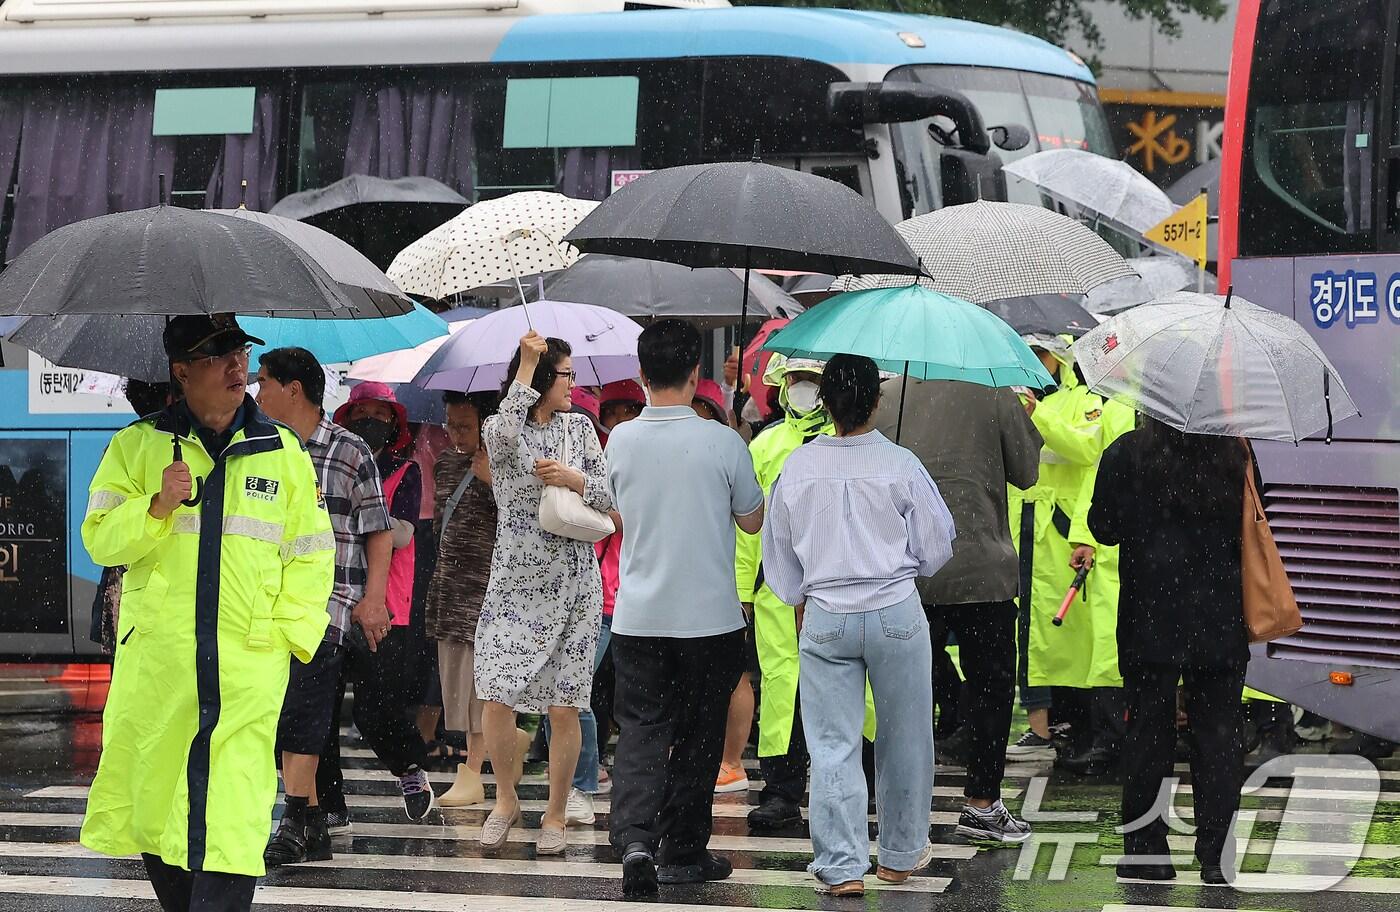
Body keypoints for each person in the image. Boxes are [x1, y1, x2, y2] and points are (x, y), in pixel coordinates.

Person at [80, 315, 334, 912]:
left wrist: (286, 637)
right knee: (157, 800)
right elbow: (99, 541)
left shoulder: (283, 452)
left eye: (240, 353)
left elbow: (312, 555)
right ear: (181, 370)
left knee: (234, 814)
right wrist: (157, 504)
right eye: (217, 355)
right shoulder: (137, 447)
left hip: (247, 666)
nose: (235, 367)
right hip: (161, 666)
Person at [762, 355, 956, 896]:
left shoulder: (797, 466)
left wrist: (804, 594)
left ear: (824, 401)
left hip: (825, 616)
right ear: (876, 400)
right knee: (906, 738)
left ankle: (842, 865)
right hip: (896, 611)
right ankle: (898, 855)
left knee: (831, 745)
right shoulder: (901, 464)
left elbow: (777, 557)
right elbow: (938, 545)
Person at [606, 319, 765, 899]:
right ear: (696, 374)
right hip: (710, 618)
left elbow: (617, 513)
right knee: (699, 736)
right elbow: (753, 519)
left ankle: (636, 841)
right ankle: (683, 851)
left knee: (642, 731)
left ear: (643, 376)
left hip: (638, 616)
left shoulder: (619, 441)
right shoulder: (722, 442)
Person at [253, 350, 407, 864]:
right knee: (288, 714)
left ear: (293, 389)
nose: (257, 392)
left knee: (302, 709)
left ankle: (296, 816)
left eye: (264, 382)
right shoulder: (259, 449)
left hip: (330, 603)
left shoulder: (349, 451)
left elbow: (378, 531)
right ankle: (313, 819)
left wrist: (373, 599)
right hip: (270, 605)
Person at [1085, 418, 1252, 885]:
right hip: (1219, 616)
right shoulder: (1234, 455)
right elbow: (1256, 524)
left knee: (1147, 735)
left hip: (1149, 617)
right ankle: (1217, 855)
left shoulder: (1128, 452)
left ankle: (1146, 852)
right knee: (1218, 736)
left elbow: (1103, 527)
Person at [877, 375, 1040, 843]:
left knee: (906, 691)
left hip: (908, 570)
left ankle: (904, 810)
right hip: (980, 568)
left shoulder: (889, 395)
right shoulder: (994, 391)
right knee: (991, 687)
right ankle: (982, 803)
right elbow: (1028, 473)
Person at [475, 331, 611, 855]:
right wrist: (526, 369)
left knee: (566, 704)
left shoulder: (580, 429)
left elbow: (610, 492)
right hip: (514, 578)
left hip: (574, 577)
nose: (573, 385)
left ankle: (555, 812)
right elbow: (503, 438)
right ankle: (505, 798)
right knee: (495, 690)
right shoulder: (501, 423)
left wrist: (575, 480)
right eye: (566, 375)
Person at [737, 355, 875, 830]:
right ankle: (782, 787)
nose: (801, 388)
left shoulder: (854, 444)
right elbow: (746, 528)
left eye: (811, 380)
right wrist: (742, 589)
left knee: (857, 681)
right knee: (781, 682)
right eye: (794, 379)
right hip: (779, 585)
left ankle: (865, 779)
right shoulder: (766, 445)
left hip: (844, 583)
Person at [1006, 335, 1133, 770]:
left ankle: (1105, 739)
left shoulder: (1092, 403)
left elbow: (1087, 453)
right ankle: (1079, 733)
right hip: (1042, 535)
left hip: (1078, 537)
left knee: (1093, 646)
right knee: (1061, 646)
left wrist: (1037, 414)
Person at [316, 382, 436, 829]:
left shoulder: (404, 470)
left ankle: (409, 769)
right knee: (319, 710)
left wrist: (370, 518)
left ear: (394, 424)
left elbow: (404, 531)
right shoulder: (335, 463)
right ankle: (328, 805)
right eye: (363, 413)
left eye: (381, 416)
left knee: (373, 709)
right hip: (330, 596)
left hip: (385, 604)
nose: (372, 422)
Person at [425, 390, 532, 807]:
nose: (456, 433)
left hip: (490, 592)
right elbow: (440, 526)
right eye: (451, 424)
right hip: (451, 587)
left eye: (465, 426)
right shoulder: (445, 464)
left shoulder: (506, 467)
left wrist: (494, 482)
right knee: (457, 685)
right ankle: (508, 740)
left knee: (480, 688)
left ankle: (472, 772)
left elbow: (524, 521)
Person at [689, 379, 754, 792]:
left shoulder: (731, 450)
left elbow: (751, 518)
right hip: (697, 583)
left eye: (703, 412)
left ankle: (731, 762)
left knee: (735, 676)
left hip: (733, 578)